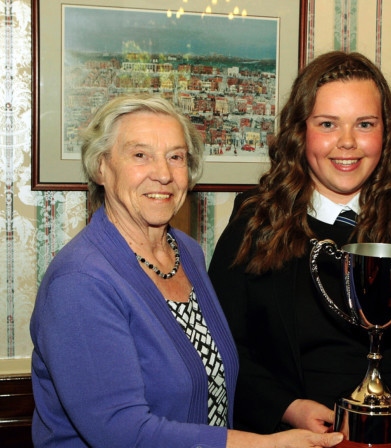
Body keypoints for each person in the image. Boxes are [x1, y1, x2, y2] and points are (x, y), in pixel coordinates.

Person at [30, 94, 343, 448]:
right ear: (101, 167)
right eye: (140, 155)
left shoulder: (187, 251)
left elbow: (212, 379)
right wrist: (265, 445)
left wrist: (291, 408)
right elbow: (121, 432)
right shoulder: (80, 282)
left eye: (175, 157)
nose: (163, 174)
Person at [208, 51, 391, 435]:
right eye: (328, 124)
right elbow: (223, 347)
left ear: (386, 132)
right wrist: (288, 408)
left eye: (365, 124)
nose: (347, 143)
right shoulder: (255, 219)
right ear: (301, 131)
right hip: (290, 439)